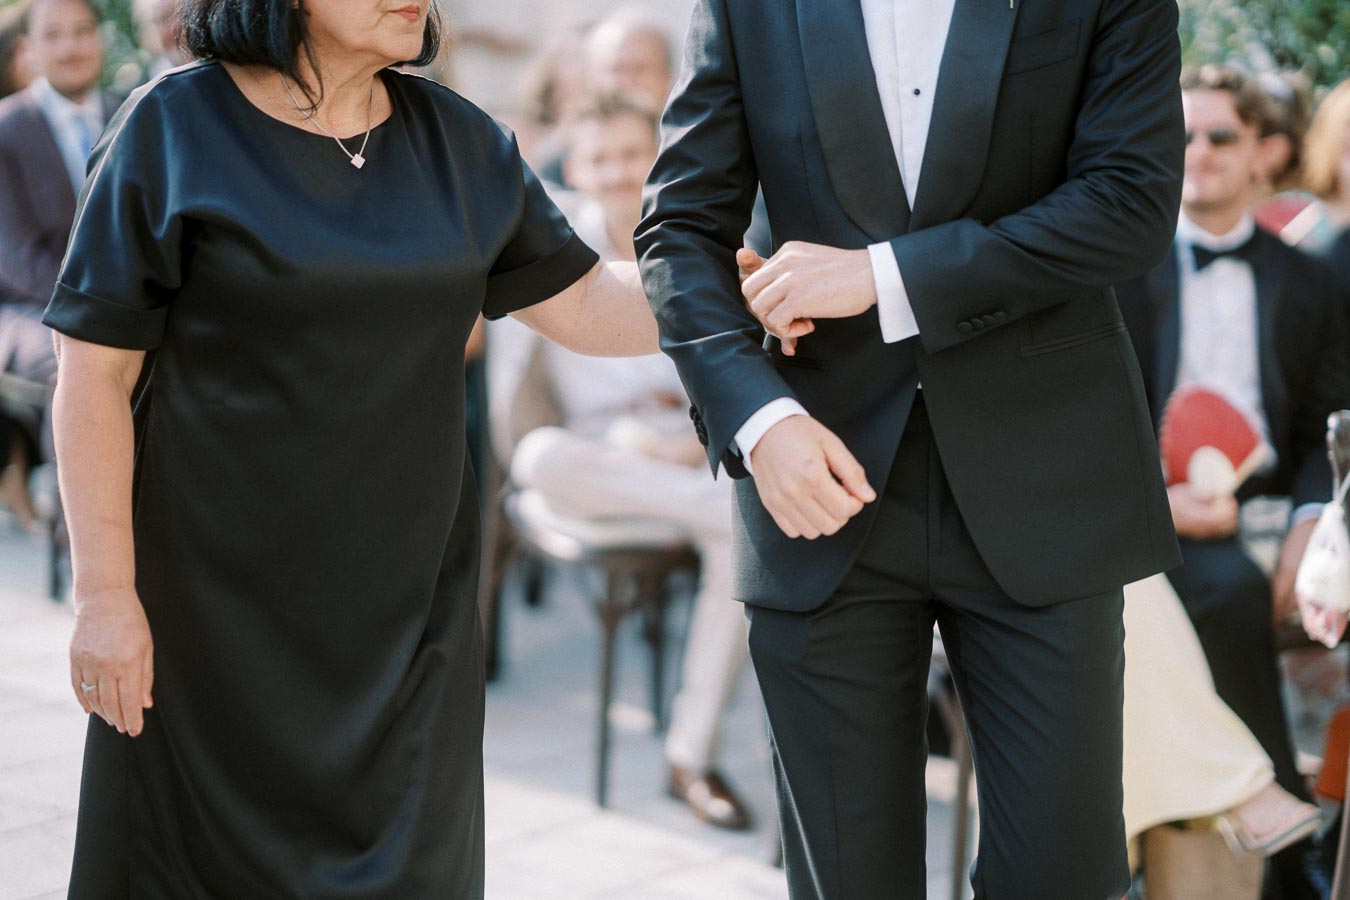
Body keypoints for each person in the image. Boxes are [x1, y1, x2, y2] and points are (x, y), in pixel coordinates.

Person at [42, 0, 659, 894]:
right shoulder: (168, 131)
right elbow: (92, 380)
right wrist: (103, 598)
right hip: (209, 634)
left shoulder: (463, 144)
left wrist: (730, 297)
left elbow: (591, 306)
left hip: (410, 636)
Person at [637, 0, 1185, 896]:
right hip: (813, 485)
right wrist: (759, 423)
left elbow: (1129, 202)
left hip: (1046, 482)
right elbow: (681, 230)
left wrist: (884, 276)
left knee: (1065, 879)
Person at [1115, 64, 1350, 898]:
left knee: (1230, 583)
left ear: (1267, 154)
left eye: (1220, 136)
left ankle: (1173, 843)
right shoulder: (1114, 273)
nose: (1197, 153)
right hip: (1140, 509)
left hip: (1266, 509)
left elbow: (1329, 424)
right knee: (1217, 593)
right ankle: (1283, 849)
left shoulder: (1310, 279)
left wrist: (1310, 522)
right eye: (1182, 135)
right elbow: (1091, 422)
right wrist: (1157, 500)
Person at [493, 93, 754, 830]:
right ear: (575, 165)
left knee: (736, 537)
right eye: (599, 156)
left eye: (633, 154)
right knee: (545, 456)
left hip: (688, 458)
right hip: (593, 463)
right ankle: (744, 509)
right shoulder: (549, 244)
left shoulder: (690, 239)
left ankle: (689, 756)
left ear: (659, 158)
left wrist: (694, 445)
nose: (616, 171)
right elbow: (518, 409)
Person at [0, 0, 114, 528]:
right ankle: (84, 545)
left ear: (101, 39)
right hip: (29, 310)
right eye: (54, 35)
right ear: (28, 50)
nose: (71, 47)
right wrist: (101, 309)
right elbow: (16, 257)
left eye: (82, 32)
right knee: (76, 362)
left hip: (129, 302)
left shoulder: (134, 111)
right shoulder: (6, 129)